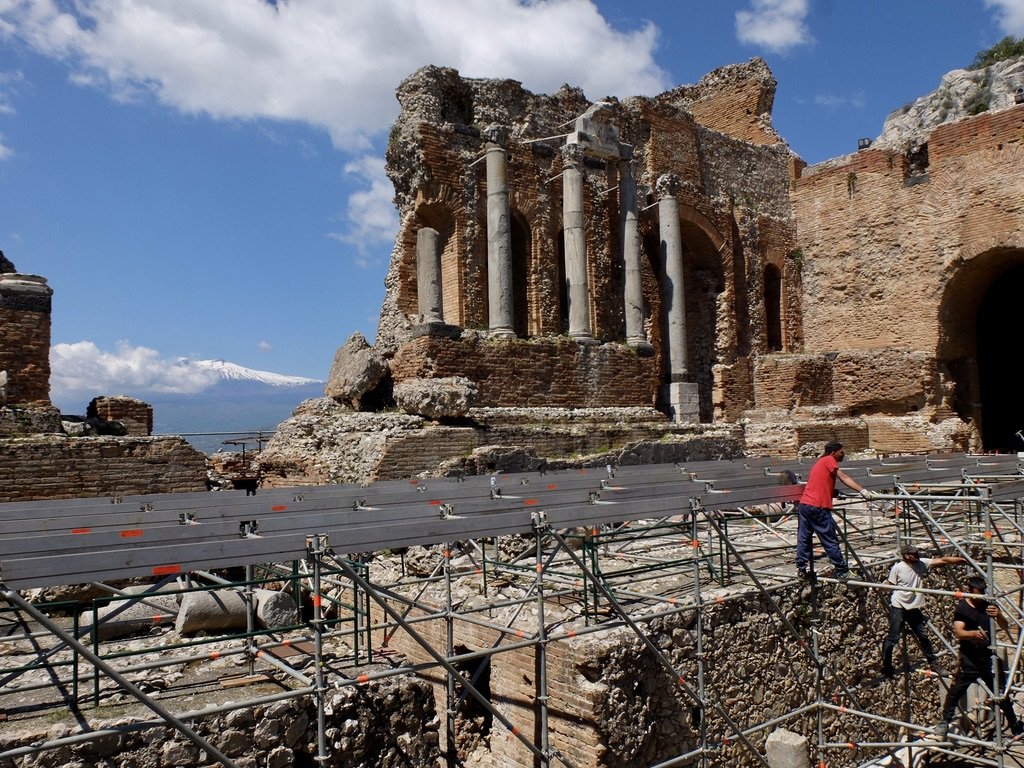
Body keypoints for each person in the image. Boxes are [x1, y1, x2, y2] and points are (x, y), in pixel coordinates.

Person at [935, 575, 1023, 740]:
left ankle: (1015, 726)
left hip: (987, 657)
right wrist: (973, 634)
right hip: (969, 659)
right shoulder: (963, 608)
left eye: (982, 593)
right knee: (956, 691)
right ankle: (944, 722)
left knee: (1000, 693)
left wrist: (999, 615)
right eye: (977, 594)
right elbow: (958, 632)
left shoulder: (988, 604)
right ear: (970, 592)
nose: (979, 597)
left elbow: (1005, 626)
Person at [882, 544, 965, 678]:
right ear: (906, 556)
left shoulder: (921, 564)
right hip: (899, 606)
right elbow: (890, 585)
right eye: (914, 554)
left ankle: (934, 664)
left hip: (913, 607)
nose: (917, 555)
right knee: (893, 638)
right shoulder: (898, 568)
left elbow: (942, 560)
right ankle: (886, 666)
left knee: (923, 637)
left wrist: (962, 560)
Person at [795, 441, 874, 581]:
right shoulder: (829, 460)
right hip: (818, 507)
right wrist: (863, 491)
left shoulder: (820, 462)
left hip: (805, 504)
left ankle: (801, 569)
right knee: (829, 539)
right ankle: (842, 570)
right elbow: (844, 477)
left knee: (804, 539)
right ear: (833, 453)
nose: (843, 454)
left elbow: (821, 482)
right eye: (841, 452)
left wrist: (832, 491)